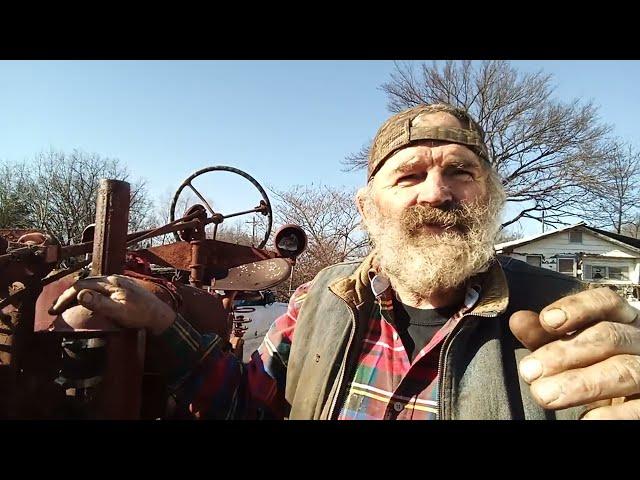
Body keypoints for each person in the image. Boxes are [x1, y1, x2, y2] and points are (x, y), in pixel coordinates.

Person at [50, 104, 640, 420]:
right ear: (367, 207)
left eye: (461, 171)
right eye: (408, 175)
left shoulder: (566, 322)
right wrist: (160, 322)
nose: (435, 193)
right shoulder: (317, 303)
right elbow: (245, 405)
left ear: (493, 195)